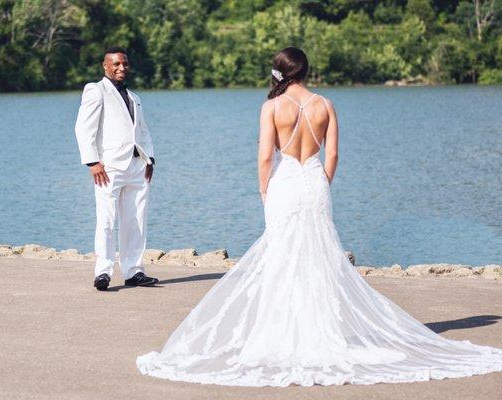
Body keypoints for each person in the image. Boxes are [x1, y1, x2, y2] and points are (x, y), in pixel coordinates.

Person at [135, 47, 502, 386]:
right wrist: (320, 183)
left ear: (279, 73)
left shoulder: (272, 107)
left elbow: (265, 157)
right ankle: (321, 331)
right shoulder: (325, 104)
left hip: (285, 185)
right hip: (314, 183)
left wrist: (265, 190)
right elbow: (334, 156)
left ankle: (284, 333)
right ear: (306, 71)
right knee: (318, 259)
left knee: (282, 258)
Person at [74, 46, 159, 291]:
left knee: (136, 220)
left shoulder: (134, 97)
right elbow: (83, 128)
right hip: (108, 168)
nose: (121, 68)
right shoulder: (95, 90)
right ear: (105, 65)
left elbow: (142, 131)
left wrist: (149, 159)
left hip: (137, 166)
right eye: (116, 64)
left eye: (125, 64)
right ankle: (103, 272)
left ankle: (134, 271)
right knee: (107, 220)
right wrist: (92, 162)